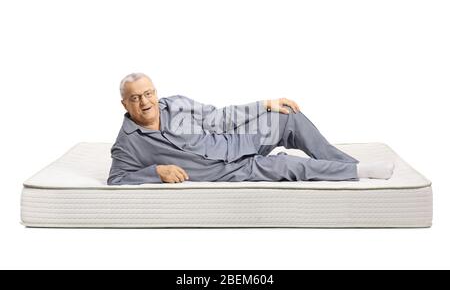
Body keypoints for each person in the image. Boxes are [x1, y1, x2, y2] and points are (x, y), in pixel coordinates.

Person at [107, 73, 394, 185]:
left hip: (235, 141)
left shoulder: (177, 104)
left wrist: (266, 104)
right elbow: (116, 178)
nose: (144, 102)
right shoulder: (127, 142)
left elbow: (218, 118)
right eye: (135, 97)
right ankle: (360, 172)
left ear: (155, 92)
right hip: (231, 170)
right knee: (289, 166)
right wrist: (156, 171)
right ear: (125, 103)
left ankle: (350, 164)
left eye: (148, 94)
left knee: (288, 116)